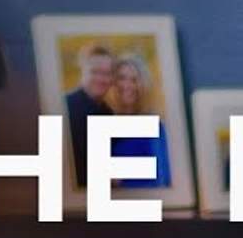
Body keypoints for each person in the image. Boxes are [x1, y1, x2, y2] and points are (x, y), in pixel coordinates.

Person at [102, 53, 172, 189]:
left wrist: (121, 178)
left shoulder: (154, 125)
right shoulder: (105, 121)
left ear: (143, 85)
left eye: (134, 80)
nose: (126, 85)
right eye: (121, 78)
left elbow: (161, 179)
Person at [64, 43, 114, 185]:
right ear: (82, 71)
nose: (101, 79)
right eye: (94, 72)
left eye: (106, 73)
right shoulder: (64, 108)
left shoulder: (108, 113)